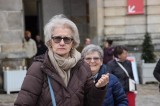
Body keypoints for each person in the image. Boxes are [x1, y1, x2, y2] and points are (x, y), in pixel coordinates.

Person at [14, 14, 109, 106]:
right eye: (57, 38)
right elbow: (23, 103)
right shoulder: (38, 68)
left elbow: (91, 103)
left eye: (67, 39)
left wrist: (99, 89)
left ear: (73, 42)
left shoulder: (83, 67)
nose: (62, 43)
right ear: (50, 41)